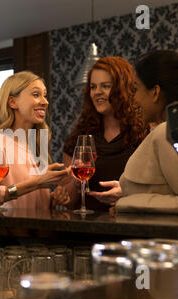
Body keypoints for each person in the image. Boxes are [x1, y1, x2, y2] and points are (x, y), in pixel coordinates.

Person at [89, 50, 178, 214]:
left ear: (155, 93)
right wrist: (126, 192)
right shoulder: (177, 131)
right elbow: (167, 189)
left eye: (136, 89)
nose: (133, 98)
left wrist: (125, 202)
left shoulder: (165, 132)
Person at [0, 71, 70, 210]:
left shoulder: (36, 144)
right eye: (36, 94)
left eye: (44, 95)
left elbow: (28, 203)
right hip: (9, 231)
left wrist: (52, 199)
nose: (45, 102)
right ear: (13, 102)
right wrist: (37, 182)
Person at [62, 57, 148, 212]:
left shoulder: (145, 133)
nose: (97, 92)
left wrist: (127, 196)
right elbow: (68, 202)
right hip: (85, 227)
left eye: (106, 86)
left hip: (129, 223)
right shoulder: (79, 137)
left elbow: (155, 189)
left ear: (123, 89)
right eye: (93, 87)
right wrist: (71, 187)